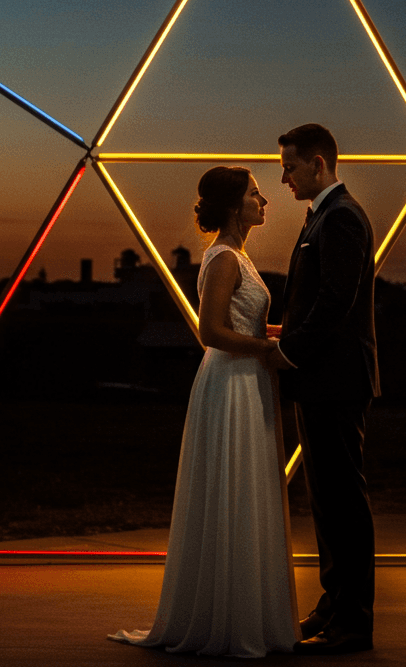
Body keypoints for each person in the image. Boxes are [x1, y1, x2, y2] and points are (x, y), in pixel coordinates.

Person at [108, 167, 299, 657]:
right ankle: (225, 617)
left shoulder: (239, 257)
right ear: (235, 205)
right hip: (231, 382)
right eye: (256, 194)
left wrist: (281, 335)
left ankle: (242, 610)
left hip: (248, 379)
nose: (265, 201)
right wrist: (264, 348)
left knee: (246, 487)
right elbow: (210, 333)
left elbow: (245, 318)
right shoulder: (223, 260)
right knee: (233, 486)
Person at [271, 124, 379, 656]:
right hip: (320, 380)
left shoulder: (341, 219)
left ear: (318, 163)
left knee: (343, 502)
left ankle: (353, 624)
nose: (283, 177)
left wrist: (289, 352)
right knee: (326, 500)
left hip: (335, 380)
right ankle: (335, 605)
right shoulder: (323, 216)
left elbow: (337, 300)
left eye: (290, 167)